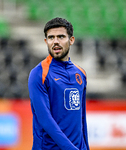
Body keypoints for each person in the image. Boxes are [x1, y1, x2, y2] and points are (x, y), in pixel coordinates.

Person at [28, 17, 90, 150]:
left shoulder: (81, 74)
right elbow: (45, 120)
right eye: (51, 38)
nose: (55, 42)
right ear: (46, 41)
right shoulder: (39, 74)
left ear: (71, 40)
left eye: (61, 37)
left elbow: (82, 118)